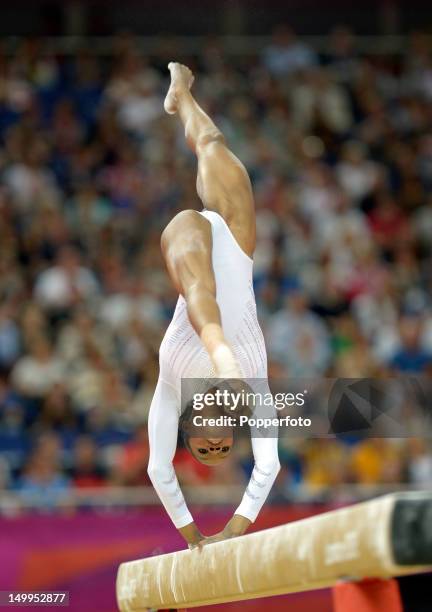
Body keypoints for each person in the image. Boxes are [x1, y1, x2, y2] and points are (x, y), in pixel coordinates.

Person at [147, 63, 280, 549]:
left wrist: (192, 537)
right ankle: (182, 93)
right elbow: (269, 465)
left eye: (207, 448)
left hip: (191, 251)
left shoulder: (171, 385)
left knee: (200, 293)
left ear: (189, 429)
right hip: (237, 246)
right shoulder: (257, 388)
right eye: (224, 448)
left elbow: (159, 469)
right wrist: (235, 529)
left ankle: (217, 343)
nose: (219, 444)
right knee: (214, 145)